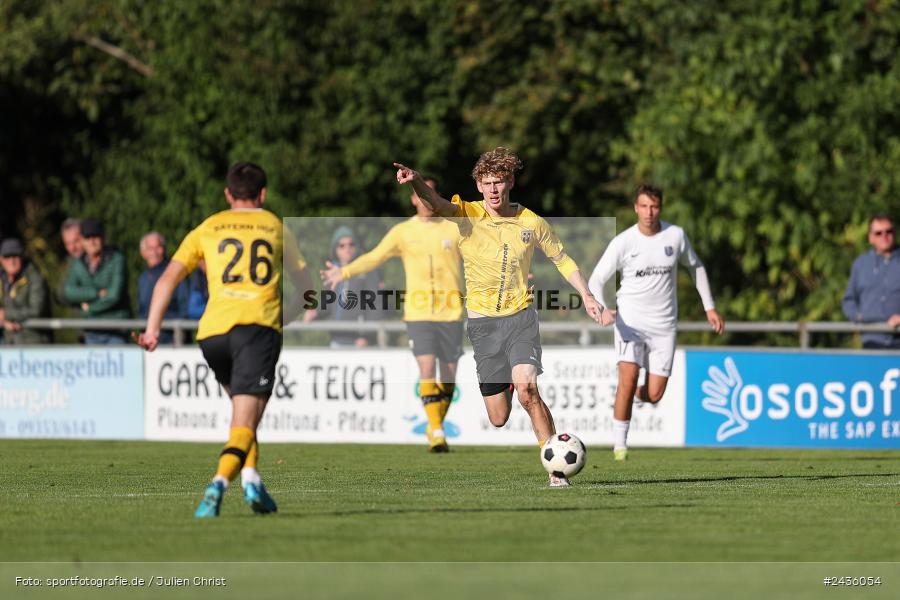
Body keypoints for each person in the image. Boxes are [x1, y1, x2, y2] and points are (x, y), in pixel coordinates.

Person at [393, 148, 603, 487]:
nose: (493, 190)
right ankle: (509, 378)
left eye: (500, 183)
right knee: (499, 417)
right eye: (487, 183)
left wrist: (588, 295)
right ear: (478, 185)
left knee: (527, 391)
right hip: (483, 326)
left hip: (520, 317)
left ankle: (556, 469)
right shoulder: (469, 215)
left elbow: (562, 259)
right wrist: (416, 182)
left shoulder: (531, 222)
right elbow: (436, 204)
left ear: (511, 183)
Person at [135, 162, 313, 518]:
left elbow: (167, 278)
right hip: (255, 330)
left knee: (242, 416)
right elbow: (309, 291)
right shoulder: (276, 226)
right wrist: (282, 320)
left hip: (212, 336)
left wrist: (153, 329)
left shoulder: (209, 226)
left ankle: (251, 479)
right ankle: (218, 485)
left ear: (228, 194)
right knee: (246, 422)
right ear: (263, 194)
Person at [321, 177, 464, 452]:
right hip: (418, 312)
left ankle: (435, 423)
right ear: (413, 199)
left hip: (451, 312)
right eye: (420, 195)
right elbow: (375, 257)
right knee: (426, 368)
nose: (425, 199)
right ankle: (436, 431)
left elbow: (479, 256)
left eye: (430, 193)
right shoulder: (403, 232)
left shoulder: (454, 228)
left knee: (448, 376)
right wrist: (344, 271)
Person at [588, 184, 724, 461]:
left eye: (654, 207)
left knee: (654, 394)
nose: (649, 212)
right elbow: (596, 279)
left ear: (660, 208)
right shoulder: (624, 242)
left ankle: (631, 396)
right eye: (644, 206)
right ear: (635, 208)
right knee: (628, 377)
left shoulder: (675, 236)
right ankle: (619, 447)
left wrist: (709, 307)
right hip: (630, 322)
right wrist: (601, 310)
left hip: (664, 327)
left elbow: (695, 267)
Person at [62, 218, 131, 344]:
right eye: (88, 238)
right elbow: (68, 291)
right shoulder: (77, 263)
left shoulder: (116, 259)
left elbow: (114, 295)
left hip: (116, 329)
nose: (92, 242)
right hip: (92, 331)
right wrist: (96, 293)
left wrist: (89, 309)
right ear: (82, 240)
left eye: (96, 237)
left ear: (103, 238)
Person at [319, 226, 384, 347]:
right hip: (336, 340)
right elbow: (326, 305)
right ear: (335, 249)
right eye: (341, 245)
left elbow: (376, 306)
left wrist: (367, 336)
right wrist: (314, 313)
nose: (347, 249)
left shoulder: (367, 270)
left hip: (358, 342)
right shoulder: (333, 271)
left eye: (351, 244)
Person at [842, 214, 900, 349]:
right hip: (872, 341)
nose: (884, 236)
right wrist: (858, 316)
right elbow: (848, 300)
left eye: (888, 231)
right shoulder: (861, 264)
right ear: (871, 237)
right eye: (879, 233)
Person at [137, 232, 189, 344]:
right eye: (150, 248)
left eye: (158, 247)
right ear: (143, 252)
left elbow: (184, 308)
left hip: (172, 339)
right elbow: (141, 310)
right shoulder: (143, 278)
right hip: (150, 339)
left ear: (164, 249)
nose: (154, 252)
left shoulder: (174, 273)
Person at [0, 238, 51, 344]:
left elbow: (36, 310)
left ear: (22, 257)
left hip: (34, 342)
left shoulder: (35, 278)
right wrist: (4, 322)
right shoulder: (3, 279)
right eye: (7, 257)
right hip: (9, 342)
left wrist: (6, 315)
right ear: (1, 259)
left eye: (15, 256)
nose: (11, 261)